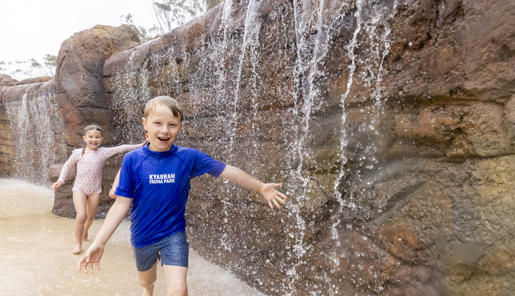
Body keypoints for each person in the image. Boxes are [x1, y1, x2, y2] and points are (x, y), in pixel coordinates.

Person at [78, 96, 288, 296]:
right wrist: (99, 242)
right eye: (158, 123)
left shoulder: (189, 157)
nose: (164, 130)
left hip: (173, 235)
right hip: (142, 235)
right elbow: (121, 204)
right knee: (146, 280)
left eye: (172, 124)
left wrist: (260, 187)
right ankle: (148, 290)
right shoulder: (133, 159)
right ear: (145, 124)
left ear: (180, 126)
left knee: (178, 290)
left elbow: (227, 170)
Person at [51, 124, 146, 254]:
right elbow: (67, 165)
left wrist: (140, 145)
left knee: (90, 217)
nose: (94, 139)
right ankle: (78, 243)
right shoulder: (78, 153)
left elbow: (121, 148)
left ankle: (85, 232)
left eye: (97, 137)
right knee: (81, 215)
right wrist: (61, 179)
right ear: (85, 138)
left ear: (101, 139)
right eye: (90, 137)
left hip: (95, 190)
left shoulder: (103, 152)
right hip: (79, 188)